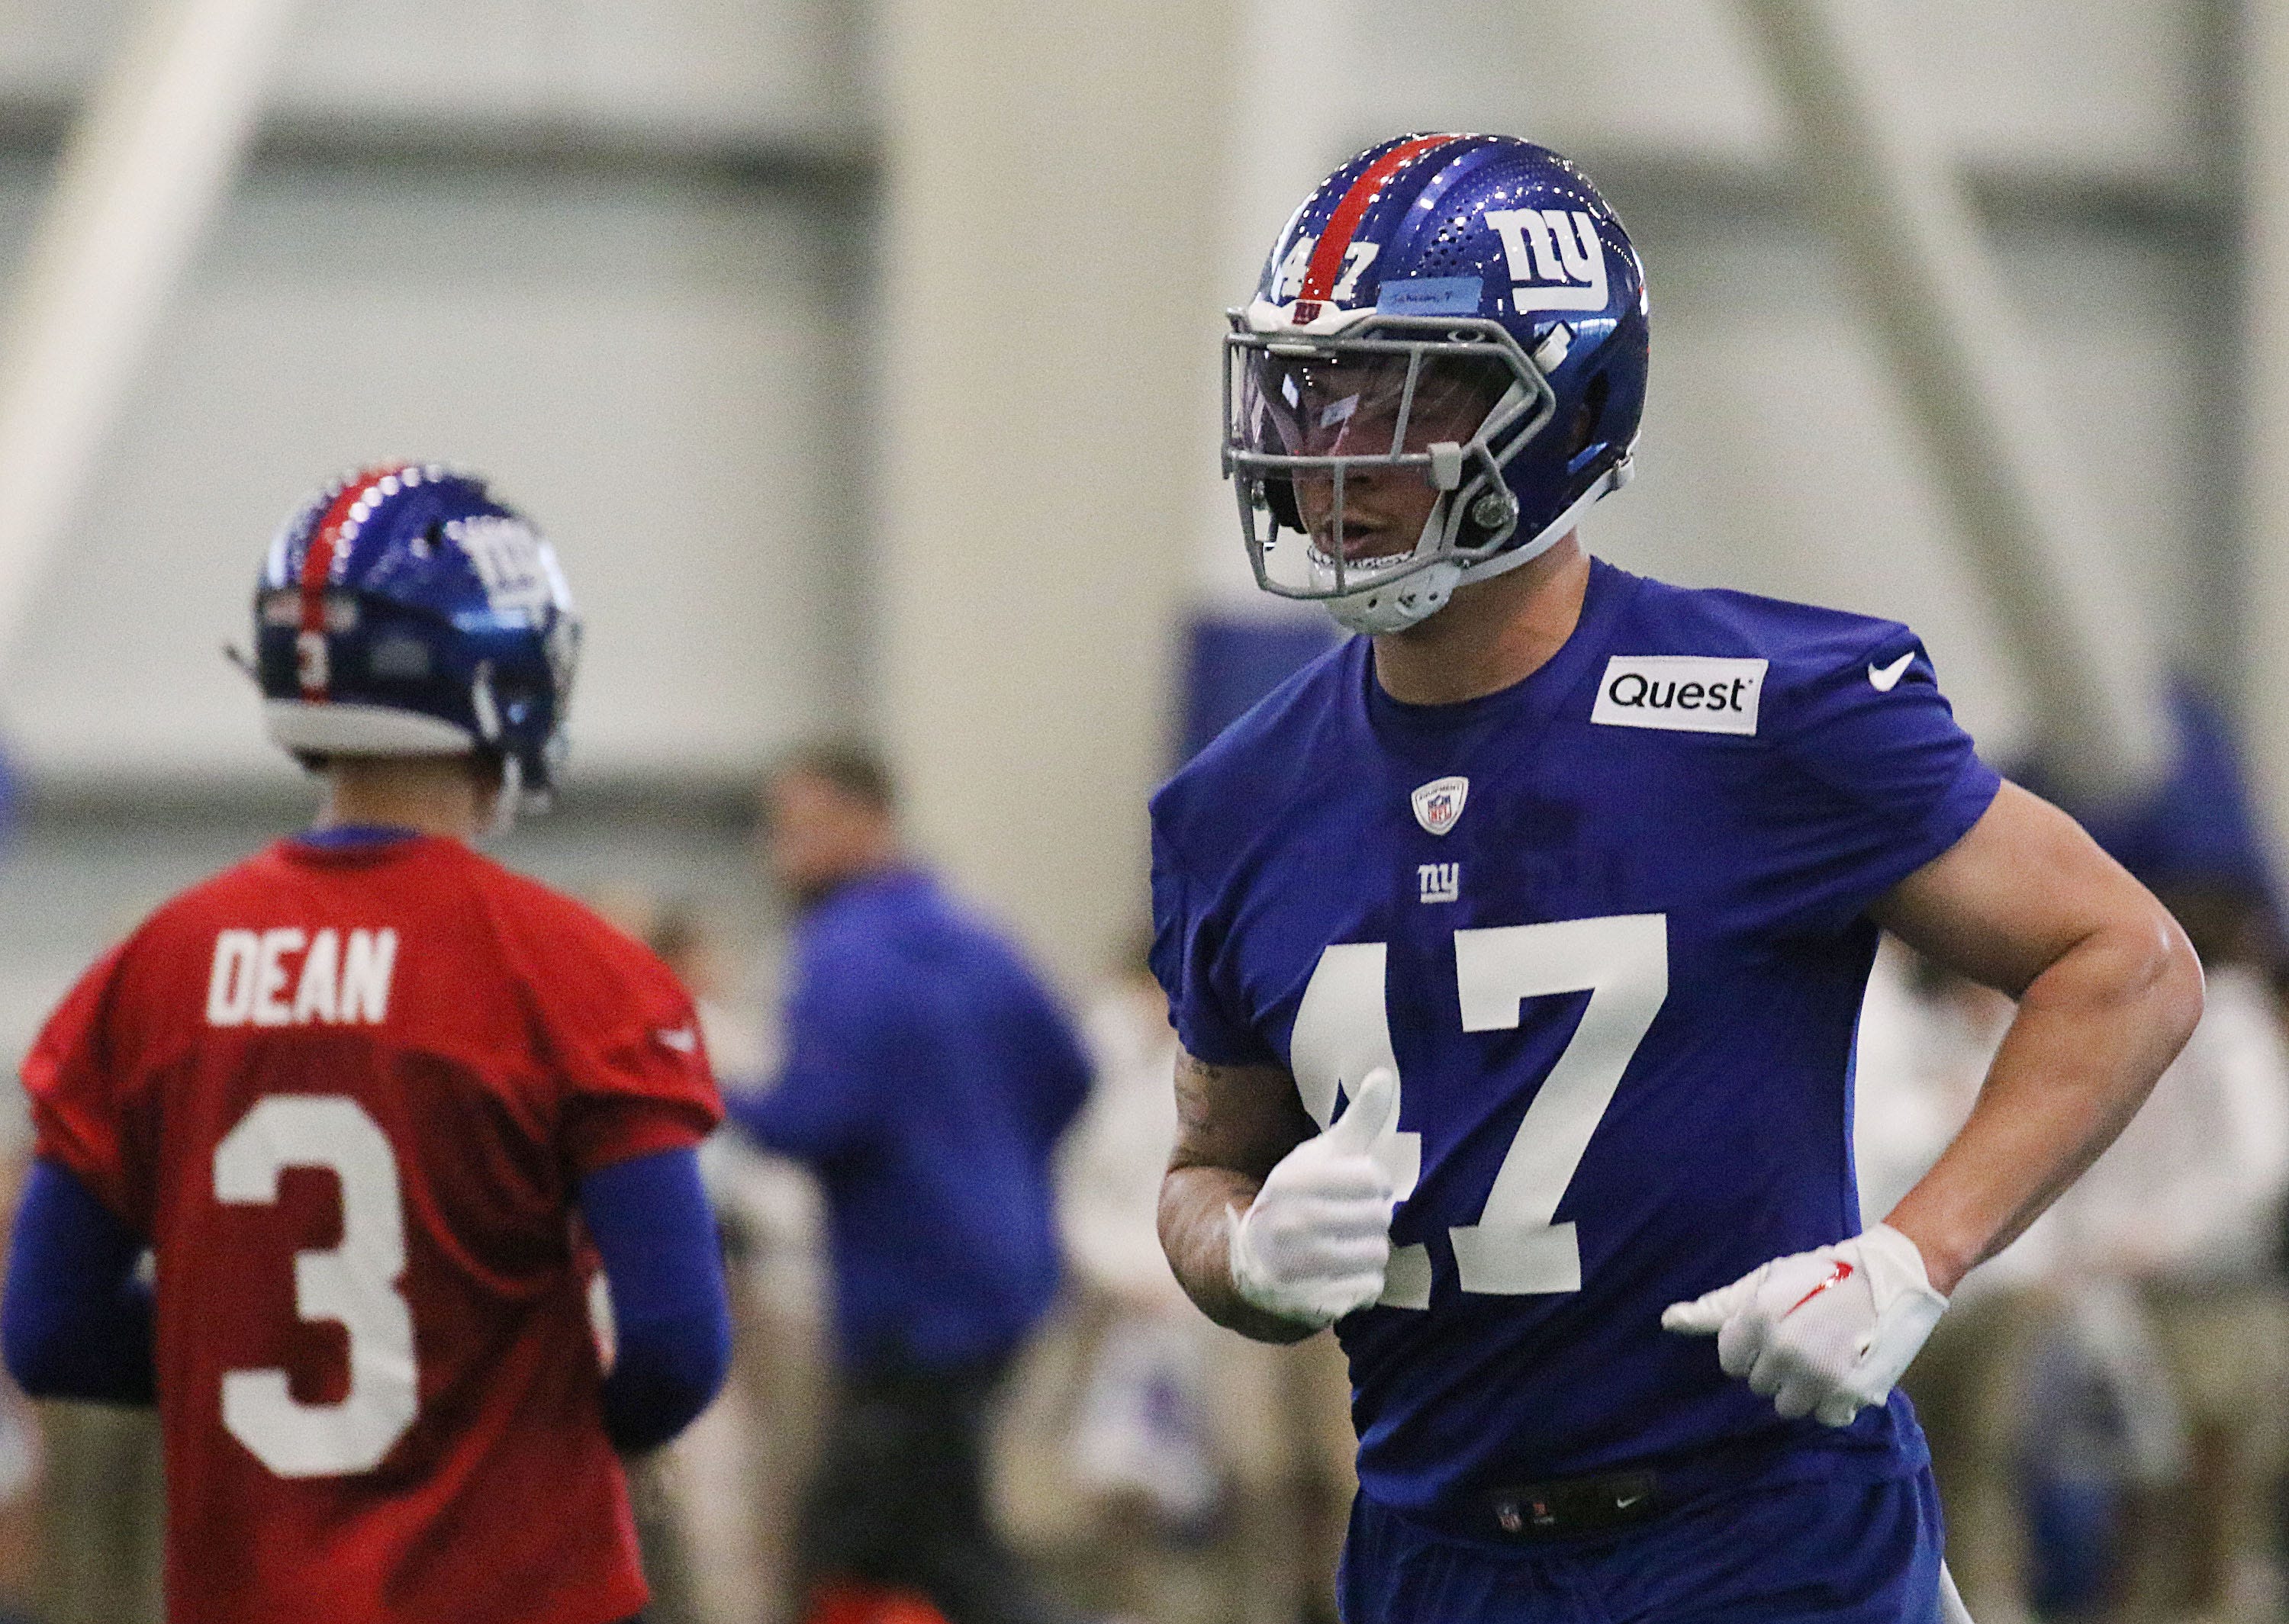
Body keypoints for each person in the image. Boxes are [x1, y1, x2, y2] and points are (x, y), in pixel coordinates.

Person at [1151, 135, 2204, 1622]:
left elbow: (2129, 959)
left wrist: (1915, 1252)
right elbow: (1205, 1168)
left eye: (1406, 391)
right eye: (1310, 387)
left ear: (1565, 405)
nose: (1333, 449)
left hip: (1765, 1532)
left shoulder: (1767, 703)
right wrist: (1245, 1253)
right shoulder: (1234, 798)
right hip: (1431, 1551)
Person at [0, 465, 733, 1624]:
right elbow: (676, 1351)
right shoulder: (579, 972)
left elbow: (47, 1326)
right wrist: (480, 1383)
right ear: (509, 673)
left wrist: (251, 1347)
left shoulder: (149, 971)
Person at [729, 744, 1092, 1624]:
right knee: (925, 1533)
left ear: (870, 821)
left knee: (892, 1544)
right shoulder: (974, 933)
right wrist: (997, 1167)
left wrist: (698, 1085)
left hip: (915, 1301)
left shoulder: (844, 950)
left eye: (804, 831)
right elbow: (1070, 1071)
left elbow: (814, 1118)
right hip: (1006, 1274)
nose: (784, 855)